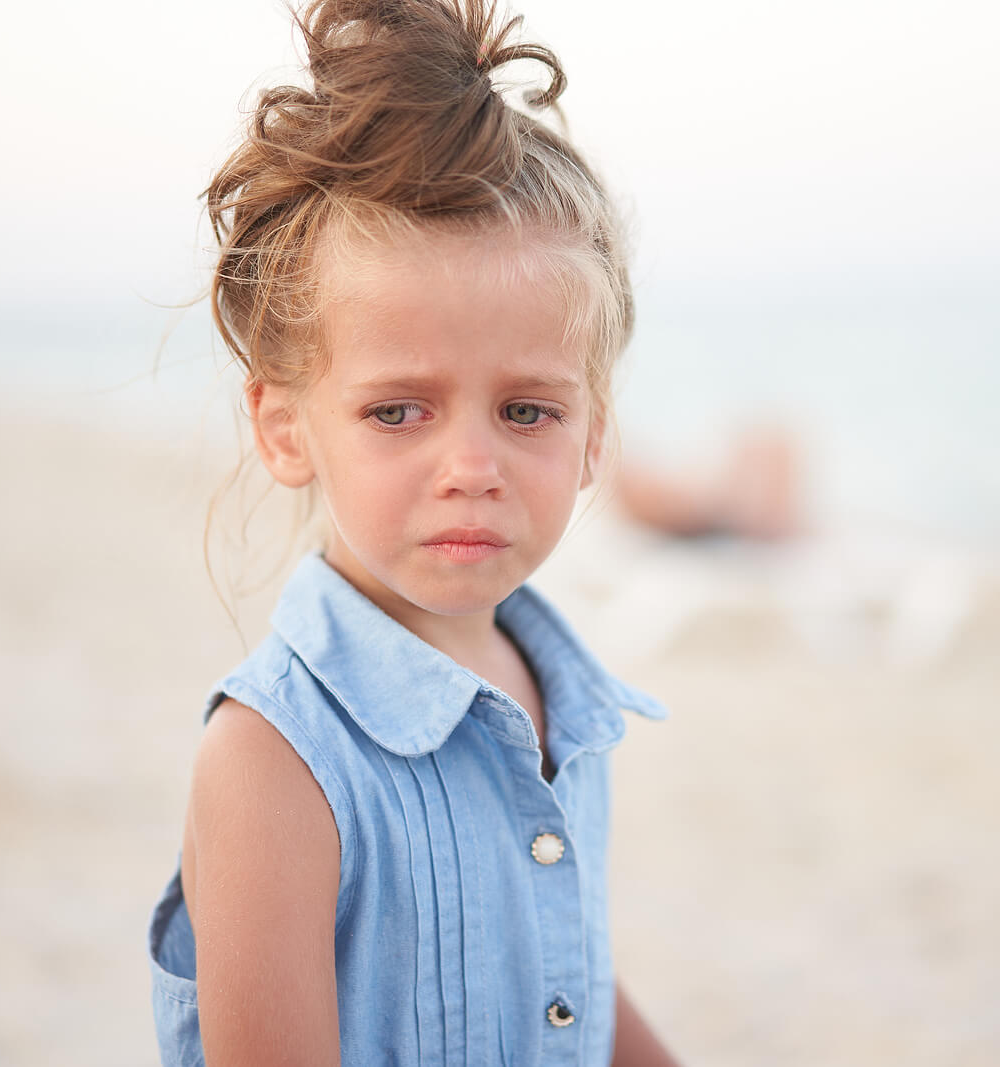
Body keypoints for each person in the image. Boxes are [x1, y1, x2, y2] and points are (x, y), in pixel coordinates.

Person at [146, 1, 681, 1062]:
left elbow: (563, 973)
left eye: (527, 410)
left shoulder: (568, 707)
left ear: (592, 437)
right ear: (287, 425)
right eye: (398, 411)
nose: (472, 468)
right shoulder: (274, 763)